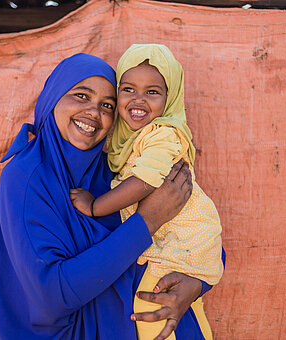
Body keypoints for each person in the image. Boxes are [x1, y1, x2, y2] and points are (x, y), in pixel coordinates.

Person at [0, 52, 214, 340]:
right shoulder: (26, 177)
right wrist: (146, 222)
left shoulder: (117, 170)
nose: (94, 113)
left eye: (107, 105)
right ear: (52, 97)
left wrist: (196, 283)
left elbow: (195, 222)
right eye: (81, 96)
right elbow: (52, 294)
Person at [70, 44, 224, 340]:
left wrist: (95, 206)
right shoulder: (125, 141)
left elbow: (146, 181)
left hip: (182, 241)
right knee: (183, 311)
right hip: (175, 243)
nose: (138, 100)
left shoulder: (162, 133)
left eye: (152, 92)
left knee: (153, 305)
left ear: (170, 98)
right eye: (128, 89)